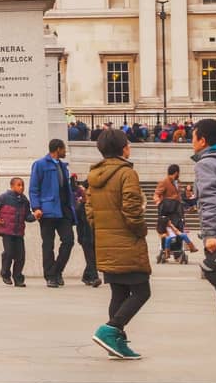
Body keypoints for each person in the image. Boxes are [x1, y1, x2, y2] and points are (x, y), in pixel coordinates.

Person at [85, 129, 151, 360]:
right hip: (126, 242)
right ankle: (110, 330)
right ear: (123, 148)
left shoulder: (95, 175)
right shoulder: (126, 173)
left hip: (105, 241)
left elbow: (90, 210)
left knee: (119, 292)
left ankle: (117, 342)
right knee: (142, 291)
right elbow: (132, 209)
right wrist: (141, 230)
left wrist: (101, 230)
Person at [29, 139, 77, 288]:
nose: (65, 152)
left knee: (68, 240)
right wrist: (36, 207)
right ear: (57, 149)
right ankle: (50, 276)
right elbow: (34, 188)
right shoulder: (40, 164)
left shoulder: (63, 166)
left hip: (64, 211)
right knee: (48, 245)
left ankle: (56, 271)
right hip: (47, 211)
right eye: (63, 149)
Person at [191, 118, 216, 309]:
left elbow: (210, 198)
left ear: (202, 140)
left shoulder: (207, 163)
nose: (191, 141)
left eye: (193, 137)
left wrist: (210, 234)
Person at [0, 177, 32, 287]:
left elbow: (27, 217)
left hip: (19, 232)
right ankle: (5, 273)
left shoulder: (24, 200)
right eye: (18, 185)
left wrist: (36, 216)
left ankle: (18, 278)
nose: (21, 187)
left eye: (22, 185)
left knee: (21, 256)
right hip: (7, 231)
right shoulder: (5, 197)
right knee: (9, 252)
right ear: (12, 186)